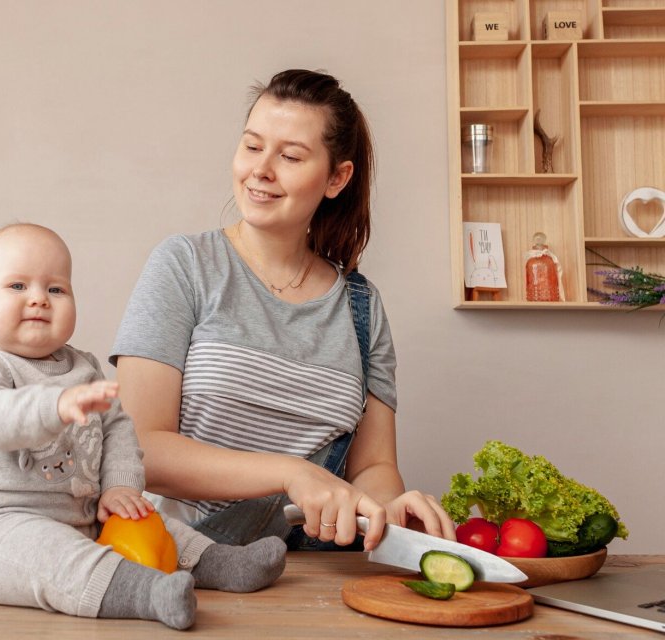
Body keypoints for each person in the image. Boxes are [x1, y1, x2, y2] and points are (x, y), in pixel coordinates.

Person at [110, 69, 456, 551]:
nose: (261, 170)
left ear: (337, 177)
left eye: (290, 155)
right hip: (179, 560)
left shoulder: (362, 307)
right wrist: (290, 473)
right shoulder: (185, 266)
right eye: (252, 146)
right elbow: (139, 448)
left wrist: (389, 509)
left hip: (312, 575)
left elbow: (373, 468)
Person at [0, 223, 286, 630]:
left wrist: (122, 487)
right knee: (55, 557)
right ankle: (147, 594)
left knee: (150, 521)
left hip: (84, 519)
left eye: (56, 289)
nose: (39, 299)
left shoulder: (84, 367)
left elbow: (118, 429)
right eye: (17, 286)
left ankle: (219, 562)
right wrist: (55, 405)